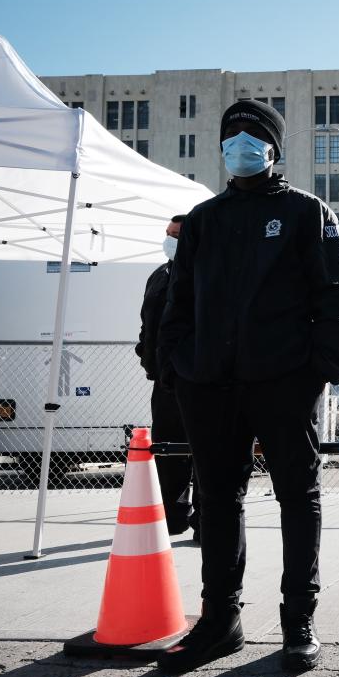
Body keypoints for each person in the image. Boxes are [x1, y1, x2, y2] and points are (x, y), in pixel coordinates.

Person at [156, 100, 339, 674]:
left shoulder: (305, 212)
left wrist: (317, 370)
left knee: (298, 495)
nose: (239, 144)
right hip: (210, 384)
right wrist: (177, 365)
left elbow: (338, 295)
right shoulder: (203, 219)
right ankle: (220, 622)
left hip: (283, 381)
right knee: (218, 500)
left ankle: (299, 622)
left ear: (273, 147)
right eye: (230, 136)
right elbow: (180, 301)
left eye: (252, 135)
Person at [135, 214, 197, 541]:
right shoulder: (159, 275)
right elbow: (148, 322)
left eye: (177, 235)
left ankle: (205, 522)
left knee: (202, 452)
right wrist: (144, 349)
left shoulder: (205, 274)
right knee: (167, 451)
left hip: (198, 380)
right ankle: (172, 518)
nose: (170, 240)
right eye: (168, 234)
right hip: (164, 381)